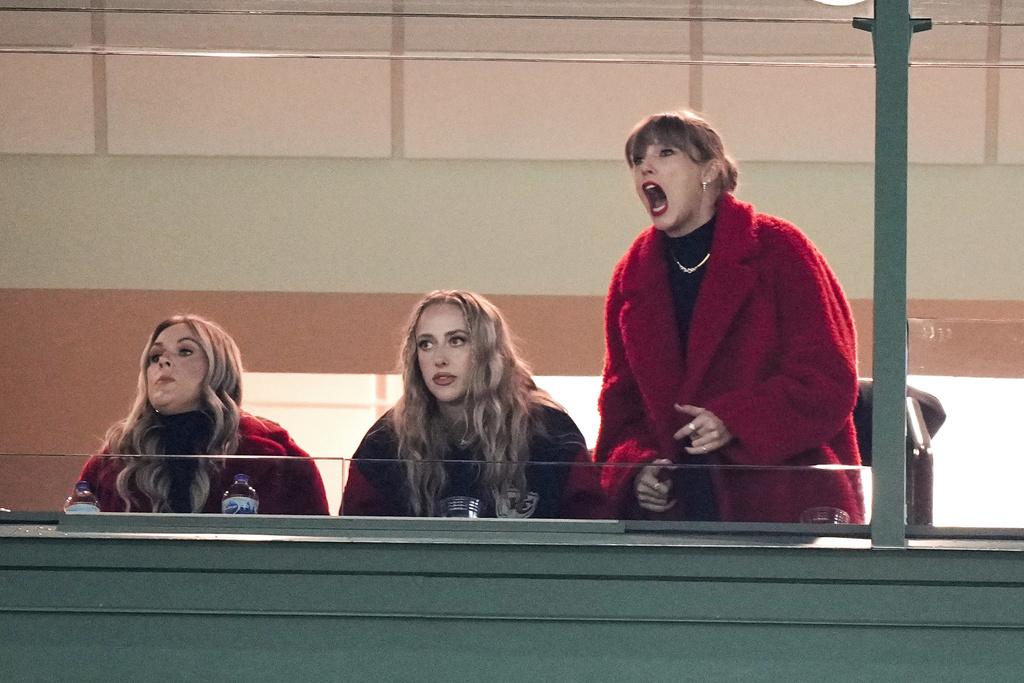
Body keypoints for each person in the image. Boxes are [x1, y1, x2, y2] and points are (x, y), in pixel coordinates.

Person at [596, 110, 864, 523]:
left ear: (710, 171)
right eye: (637, 160)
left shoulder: (779, 249)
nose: (645, 167)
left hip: (783, 508)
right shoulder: (632, 275)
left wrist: (735, 420)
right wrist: (638, 470)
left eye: (665, 153)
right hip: (678, 517)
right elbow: (620, 408)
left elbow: (827, 379)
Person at [341, 290, 605, 518]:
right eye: (426, 344)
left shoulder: (549, 432)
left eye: (456, 340)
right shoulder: (386, 440)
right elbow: (352, 540)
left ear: (488, 350)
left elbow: (591, 534)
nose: (439, 359)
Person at [77, 314, 329, 514]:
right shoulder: (115, 458)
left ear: (219, 366)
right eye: (154, 356)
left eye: (185, 351)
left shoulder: (273, 456)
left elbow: (312, 547)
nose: (163, 361)